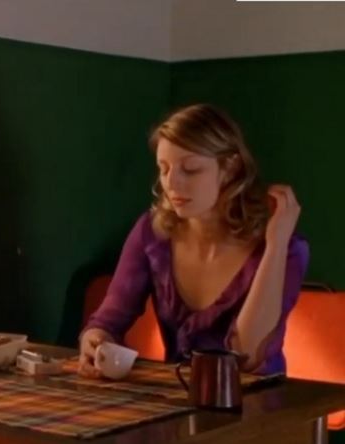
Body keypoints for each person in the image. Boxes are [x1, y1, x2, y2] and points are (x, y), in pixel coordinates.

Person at [79, 104, 309, 377]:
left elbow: (247, 355)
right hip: (178, 395)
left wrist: (276, 245)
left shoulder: (286, 248)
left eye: (190, 169)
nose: (172, 183)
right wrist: (95, 339)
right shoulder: (152, 233)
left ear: (231, 167)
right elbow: (109, 320)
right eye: (163, 169)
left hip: (257, 400)